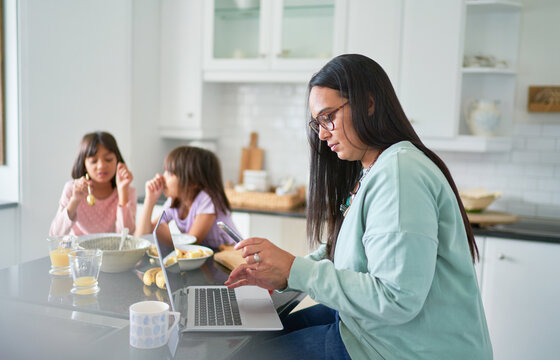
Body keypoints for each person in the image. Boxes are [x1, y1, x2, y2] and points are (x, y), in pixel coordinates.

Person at [225, 54, 493, 359]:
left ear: (368, 104)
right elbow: (351, 255)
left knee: (245, 353)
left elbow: (396, 299)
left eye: (329, 117)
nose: (323, 133)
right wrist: (284, 272)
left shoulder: (400, 173)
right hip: (371, 330)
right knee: (250, 342)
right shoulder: (375, 168)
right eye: (317, 123)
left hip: (399, 348)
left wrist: (295, 270)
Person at [135, 146, 238, 250]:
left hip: (232, 255)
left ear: (193, 182)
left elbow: (192, 243)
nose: (161, 177)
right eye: (165, 171)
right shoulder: (175, 201)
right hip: (209, 258)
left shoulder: (207, 199)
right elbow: (141, 238)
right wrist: (150, 200)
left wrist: (158, 231)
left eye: (170, 173)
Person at [50, 131, 136, 236]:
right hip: (78, 252)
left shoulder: (127, 191)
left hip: (111, 252)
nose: (101, 166)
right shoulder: (72, 189)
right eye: (94, 161)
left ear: (117, 160)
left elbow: (126, 236)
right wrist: (75, 200)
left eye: (108, 159)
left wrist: (123, 192)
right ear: (84, 164)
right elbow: (55, 235)